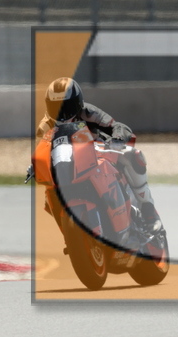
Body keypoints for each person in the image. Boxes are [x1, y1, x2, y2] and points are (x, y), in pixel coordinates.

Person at [35, 77, 163, 234]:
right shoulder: (45, 126)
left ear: (78, 102)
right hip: (68, 165)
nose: (62, 113)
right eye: (56, 107)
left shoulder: (88, 112)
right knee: (48, 196)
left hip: (97, 154)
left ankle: (148, 210)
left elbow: (117, 126)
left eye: (67, 106)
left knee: (133, 155)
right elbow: (42, 150)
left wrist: (117, 138)